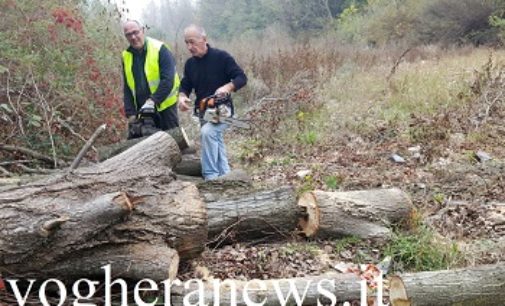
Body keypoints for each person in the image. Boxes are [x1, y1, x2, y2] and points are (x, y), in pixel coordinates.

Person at [178, 25, 247, 180]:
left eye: (192, 42)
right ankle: (226, 175)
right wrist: (182, 97)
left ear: (204, 39)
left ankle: (210, 177)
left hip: (223, 110)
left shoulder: (222, 57)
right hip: (204, 112)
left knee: (208, 132)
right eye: (186, 43)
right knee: (214, 139)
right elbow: (185, 85)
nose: (189, 47)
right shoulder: (190, 64)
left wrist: (228, 87)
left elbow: (241, 78)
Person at [121, 20, 180, 132]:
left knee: (173, 141)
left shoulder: (160, 49)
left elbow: (168, 80)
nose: (133, 37)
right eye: (129, 34)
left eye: (135, 32)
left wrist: (153, 101)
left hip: (165, 107)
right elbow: (127, 87)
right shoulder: (126, 56)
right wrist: (130, 113)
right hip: (142, 110)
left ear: (142, 30)